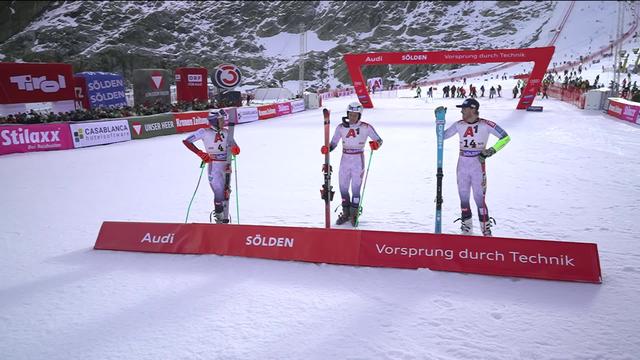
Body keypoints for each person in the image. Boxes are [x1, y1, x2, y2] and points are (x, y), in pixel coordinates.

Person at [440, 98, 510, 236]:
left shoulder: (486, 124)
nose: (461, 111)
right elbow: (441, 137)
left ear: (473, 109)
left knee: (479, 198)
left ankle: (486, 230)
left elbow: (505, 137)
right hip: (462, 165)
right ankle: (467, 229)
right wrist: (439, 121)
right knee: (463, 197)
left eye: (464, 109)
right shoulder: (459, 124)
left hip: (478, 165)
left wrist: (491, 150)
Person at [321, 102, 383, 226]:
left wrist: (376, 145)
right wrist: (328, 148)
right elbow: (333, 143)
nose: (353, 117)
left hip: (358, 160)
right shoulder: (341, 127)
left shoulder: (366, 127)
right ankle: (345, 212)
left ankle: (354, 214)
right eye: (350, 114)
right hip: (345, 159)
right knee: (343, 187)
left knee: (356, 188)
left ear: (359, 115)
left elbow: (379, 140)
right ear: (347, 114)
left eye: (355, 115)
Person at [183, 109, 240, 223]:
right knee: (218, 192)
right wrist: (200, 153)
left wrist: (235, 149)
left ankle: (224, 216)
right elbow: (187, 141)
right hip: (214, 166)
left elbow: (236, 149)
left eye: (223, 119)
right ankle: (219, 218)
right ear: (214, 121)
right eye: (220, 120)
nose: (223, 122)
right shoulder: (204, 132)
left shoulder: (226, 132)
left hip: (226, 165)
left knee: (226, 192)